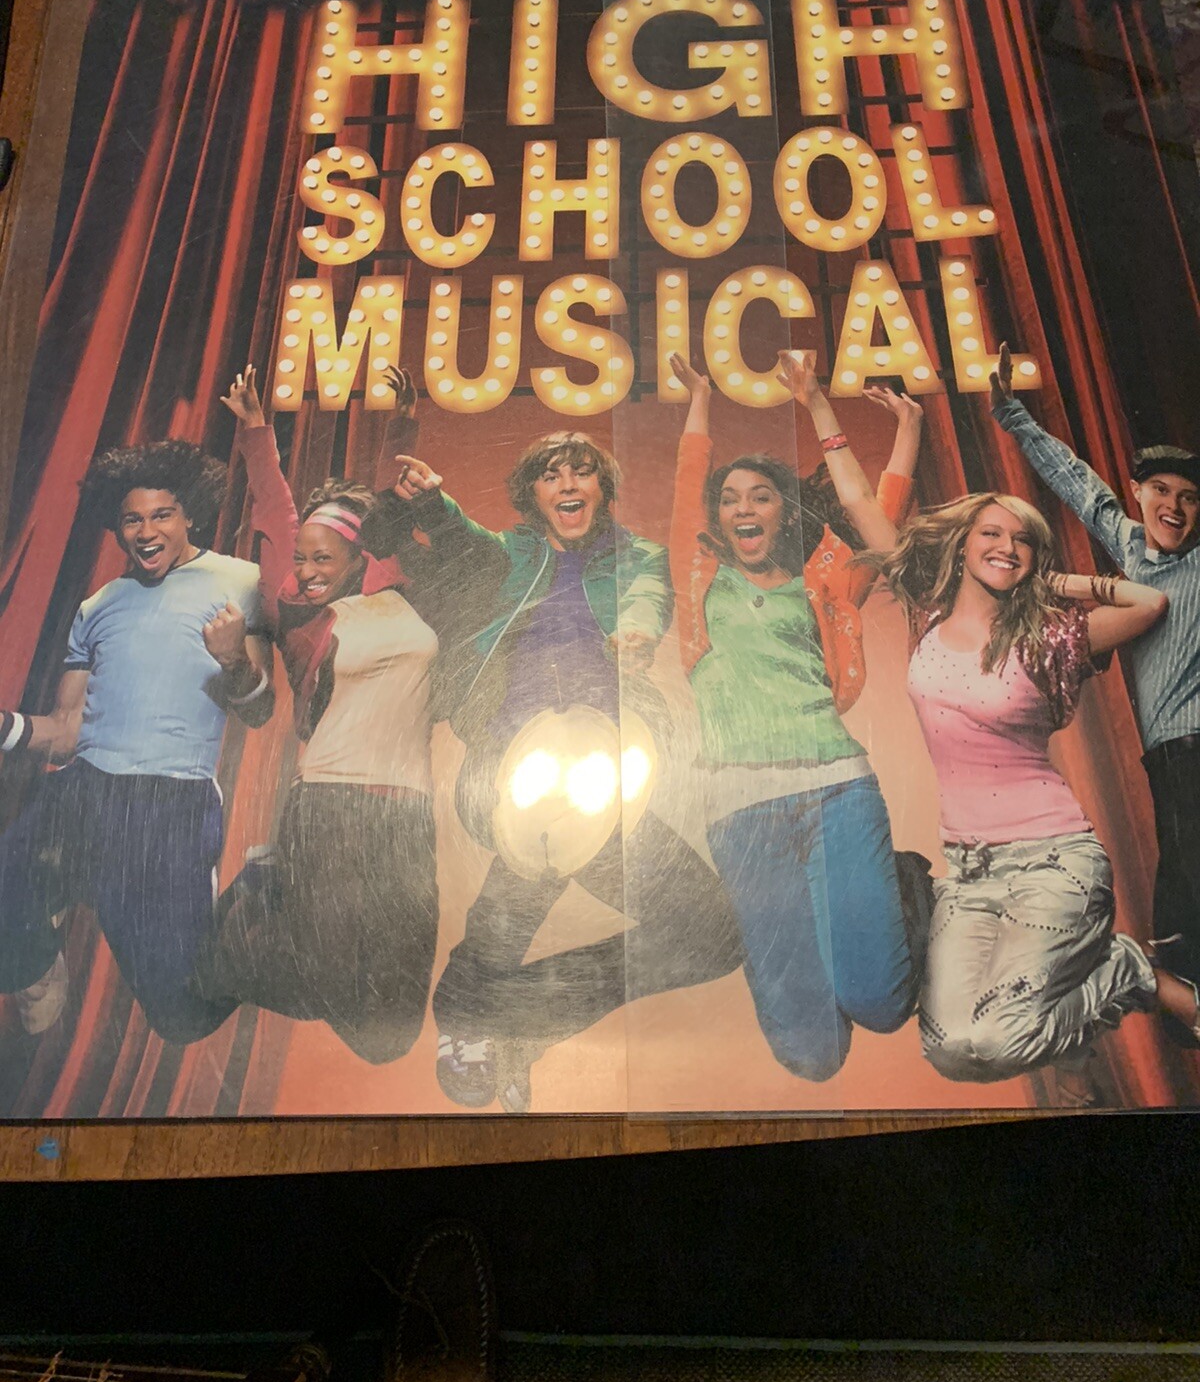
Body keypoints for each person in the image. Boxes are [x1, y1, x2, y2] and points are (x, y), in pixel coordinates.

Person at [388, 428, 744, 1113]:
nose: (568, 485)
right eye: (552, 475)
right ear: (534, 495)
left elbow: (647, 598)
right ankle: (477, 1015)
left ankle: (493, 1015)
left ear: (602, 489)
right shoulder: (513, 551)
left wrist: (635, 635)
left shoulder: (638, 556)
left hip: (600, 754)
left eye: (582, 472)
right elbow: (466, 543)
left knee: (710, 935)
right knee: (533, 858)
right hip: (512, 751)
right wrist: (433, 502)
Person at [878, 487, 1200, 1091]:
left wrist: (1055, 582)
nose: (1007, 546)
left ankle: (1131, 971)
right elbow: (868, 511)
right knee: (949, 1051)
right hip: (968, 875)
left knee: (1001, 1037)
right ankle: (1088, 1011)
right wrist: (828, 430)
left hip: (1055, 863)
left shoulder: (1049, 640)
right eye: (992, 533)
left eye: (1023, 540)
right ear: (962, 544)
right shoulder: (927, 618)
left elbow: (1151, 602)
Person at [667, 348, 926, 1082]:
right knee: (812, 1056)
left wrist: (893, 424)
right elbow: (687, 486)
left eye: (761, 496)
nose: (743, 509)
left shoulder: (827, 582)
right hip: (740, 810)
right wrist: (700, 398)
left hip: (836, 789)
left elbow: (882, 510)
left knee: (881, 1003)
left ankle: (908, 891)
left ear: (784, 510)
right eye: (730, 500)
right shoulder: (698, 578)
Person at [199, 365, 440, 1065]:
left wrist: (402, 426)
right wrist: (256, 430)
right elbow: (277, 510)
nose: (305, 569)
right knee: (333, 979)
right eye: (300, 558)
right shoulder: (297, 610)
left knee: (389, 1035)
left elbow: (383, 508)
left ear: (361, 558)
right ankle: (250, 913)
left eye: (323, 558)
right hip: (332, 804)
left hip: (410, 812)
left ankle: (275, 892)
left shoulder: (391, 582)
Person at [0, 440, 274, 1042]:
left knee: (181, 1020)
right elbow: (65, 733)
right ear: (117, 526)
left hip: (169, 803)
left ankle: (260, 883)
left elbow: (260, 711)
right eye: (132, 519)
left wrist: (233, 660)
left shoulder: (241, 581)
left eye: (162, 515)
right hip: (85, 788)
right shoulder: (98, 605)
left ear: (189, 515)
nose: (147, 532)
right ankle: (37, 964)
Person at [992, 344, 1200, 1003]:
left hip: (1192, 744)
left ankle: (1182, 995)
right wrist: (1011, 413)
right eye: (1161, 491)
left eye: (1190, 498)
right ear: (1138, 494)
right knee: (1182, 875)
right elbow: (1077, 482)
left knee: (1187, 878)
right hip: (1168, 752)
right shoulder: (1132, 549)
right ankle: (1182, 997)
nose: (1174, 506)